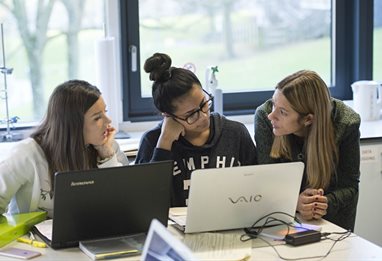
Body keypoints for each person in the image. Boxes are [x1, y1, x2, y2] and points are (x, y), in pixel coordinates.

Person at [135, 53, 257, 207]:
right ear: (168, 116)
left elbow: (257, 188)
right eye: (191, 114)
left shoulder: (235, 133)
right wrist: (164, 143)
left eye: (203, 103)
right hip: (173, 230)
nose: (204, 117)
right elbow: (143, 202)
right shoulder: (152, 142)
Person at [0, 80, 129, 217]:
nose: (108, 121)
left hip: (88, 234)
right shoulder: (26, 154)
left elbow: (124, 202)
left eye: (105, 112)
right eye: (97, 118)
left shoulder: (108, 145)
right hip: (31, 237)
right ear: (72, 125)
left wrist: (107, 156)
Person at [254, 70, 360, 231]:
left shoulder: (346, 123)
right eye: (274, 104)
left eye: (282, 112)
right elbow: (266, 182)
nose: (271, 115)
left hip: (333, 225)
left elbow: (350, 186)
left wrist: (324, 203)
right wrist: (294, 201)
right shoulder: (264, 117)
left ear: (308, 119)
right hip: (281, 220)